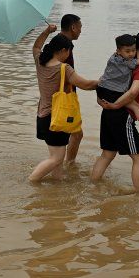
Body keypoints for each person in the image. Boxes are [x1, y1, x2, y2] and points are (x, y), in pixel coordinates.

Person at [92, 30, 139, 193]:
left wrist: (103, 99)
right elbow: (133, 92)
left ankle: (93, 186)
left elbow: (105, 79)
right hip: (122, 115)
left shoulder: (119, 58)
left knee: (107, 154)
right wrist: (117, 105)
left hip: (108, 112)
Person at [29, 24, 99, 182]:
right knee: (56, 158)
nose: (68, 55)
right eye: (68, 51)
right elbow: (86, 84)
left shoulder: (40, 61)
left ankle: (57, 188)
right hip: (57, 118)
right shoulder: (64, 69)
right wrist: (103, 82)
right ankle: (32, 180)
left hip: (42, 116)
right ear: (62, 51)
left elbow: (36, 46)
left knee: (56, 158)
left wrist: (47, 31)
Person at [58, 13, 84, 165]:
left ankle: (66, 163)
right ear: (73, 27)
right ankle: (68, 164)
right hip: (66, 97)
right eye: (80, 27)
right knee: (76, 133)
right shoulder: (64, 46)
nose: (80, 31)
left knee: (73, 133)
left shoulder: (61, 42)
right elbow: (60, 71)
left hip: (66, 95)